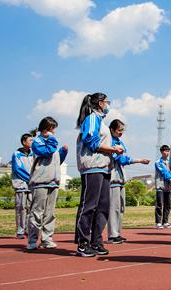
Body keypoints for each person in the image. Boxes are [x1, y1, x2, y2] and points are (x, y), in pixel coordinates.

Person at [75, 93, 123, 257]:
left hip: (104, 168)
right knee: (89, 206)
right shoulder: (92, 118)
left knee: (103, 206)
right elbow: (91, 141)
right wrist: (112, 149)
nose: (108, 105)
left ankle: (96, 241)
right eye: (107, 102)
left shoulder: (101, 121)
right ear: (101, 103)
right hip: (92, 167)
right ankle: (83, 242)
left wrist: (113, 151)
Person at [28, 117, 68, 250]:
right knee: (37, 212)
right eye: (52, 129)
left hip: (53, 181)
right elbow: (47, 152)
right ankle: (32, 240)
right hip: (40, 181)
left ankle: (47, 239)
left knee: (50, 213)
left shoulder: (52, 142)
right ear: (46, 129)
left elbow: (56, 160)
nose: (54, 132)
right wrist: (52, 139)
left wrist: (63, 152)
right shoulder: (37, 141)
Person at [108, 119, 150, 244]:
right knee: (114, 208)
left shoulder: (119, 142)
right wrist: (139, 160)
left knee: (121, 207)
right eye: (119, 130)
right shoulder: (110, 142)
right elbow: (122, 159)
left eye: (122, 131)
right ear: (112, 130)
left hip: (121, 178)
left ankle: (117, 233)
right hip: (113, 178)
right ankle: (112, 235)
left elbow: (124, 157)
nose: (121, 133)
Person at [10, 133, 33, 239]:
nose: (32, 142)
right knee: (21, 208)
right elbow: (18, 169)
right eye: (30, 140)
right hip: (20, 185)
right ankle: (20, 230)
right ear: (24, 142)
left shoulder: (34, 154)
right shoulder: (16, 154)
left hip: (31, 186)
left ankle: (28, 229)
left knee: (30, 208)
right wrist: (30, 178)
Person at [154, 145, 171, 228]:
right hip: (160, 185)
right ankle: (158, 222)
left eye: (168, 151)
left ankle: (165, 221)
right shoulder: (158, 162)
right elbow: (164, 172)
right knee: (159, 204)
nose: (167, 153)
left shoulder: (170, 162)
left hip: (168, 186)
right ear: (161, 152)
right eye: (165, 151)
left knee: (168, 204)